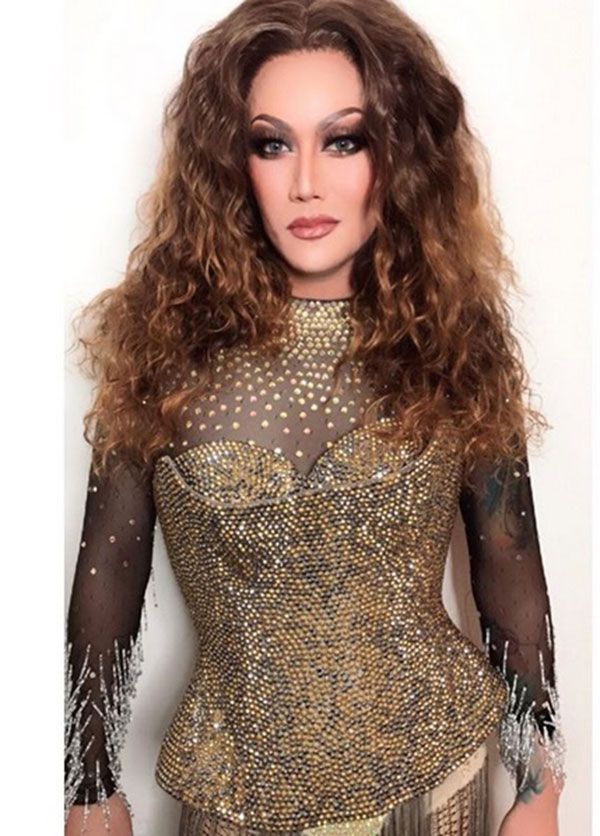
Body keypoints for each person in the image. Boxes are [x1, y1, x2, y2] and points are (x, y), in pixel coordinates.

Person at [64, 1, 567, 834]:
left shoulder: (454, 339)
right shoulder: (157, 349)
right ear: (231, 163)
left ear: (398, 155)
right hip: (231, 792)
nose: (306, 181)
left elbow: (511, 572)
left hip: (435, 781)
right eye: (271, 143)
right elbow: (106, 584)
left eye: (344, 140)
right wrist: (88, 788)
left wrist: (540, 786)